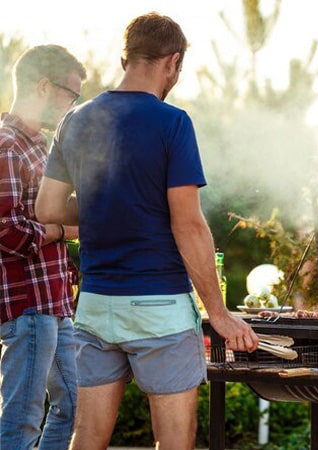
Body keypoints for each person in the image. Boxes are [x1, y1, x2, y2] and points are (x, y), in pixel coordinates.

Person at [35, 12, 259, 449]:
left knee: (87, 435)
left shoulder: (75, 121)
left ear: (126, 58)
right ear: (172, 62)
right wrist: (218, 313)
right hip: (160, 306)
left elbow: (48, 209)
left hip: (97, 305)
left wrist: (105, 206)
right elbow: (189, 225)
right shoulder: (172, 123)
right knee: (174, 441)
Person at [0, 45, 85, 450]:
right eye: (71, 95)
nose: (73, 106)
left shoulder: (40, 146)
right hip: (28, 308)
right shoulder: (7, 146)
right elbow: (6, 230)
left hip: (55, 304)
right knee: (22, 422)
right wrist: (60, 230)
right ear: (44, 86)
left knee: (76, 406)